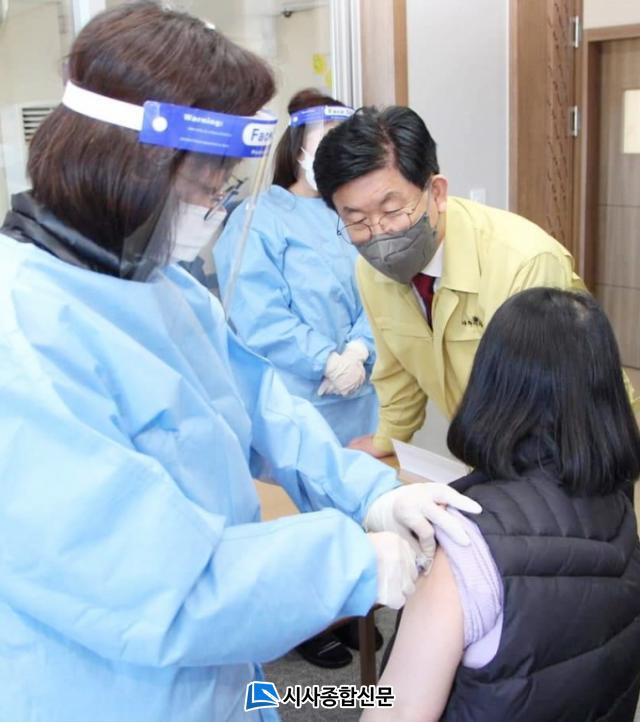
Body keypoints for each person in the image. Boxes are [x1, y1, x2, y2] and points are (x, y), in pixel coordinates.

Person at [0, 5, 480, 722]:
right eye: (210, 182)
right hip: (112, 692)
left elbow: (261, 411)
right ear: (133, 165)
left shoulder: (163, 289)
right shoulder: (23, 342)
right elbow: (160, 589)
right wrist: (353, 562)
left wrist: (370, 495)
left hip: (224, 679)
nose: (218, 204)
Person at [363, 288, 640, 722]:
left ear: (493, 384)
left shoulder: (466, 544)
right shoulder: (621, 511)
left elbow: (395, 711)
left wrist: (311, 699)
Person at [314, 106, 637, 458]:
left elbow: (545, 408)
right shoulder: (371, 273)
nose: (379, 233)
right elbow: (397, 373)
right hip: (495, 456)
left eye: (391, 211)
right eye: (357, 220)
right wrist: (386, 439)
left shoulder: (523, 263)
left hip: (580, 455)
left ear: (437, 192)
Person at [215, 89, 381, 668]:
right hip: (295, 394)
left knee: (352, 498)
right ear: (297, 147)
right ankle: (306, 623)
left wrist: (360, 348)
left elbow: (379, 289)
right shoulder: (258, 218)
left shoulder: (349, 213)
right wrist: (323, 360)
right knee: (300, 512)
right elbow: (257, 312)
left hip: (356, 395)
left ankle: (351, 610)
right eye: (323, 142)